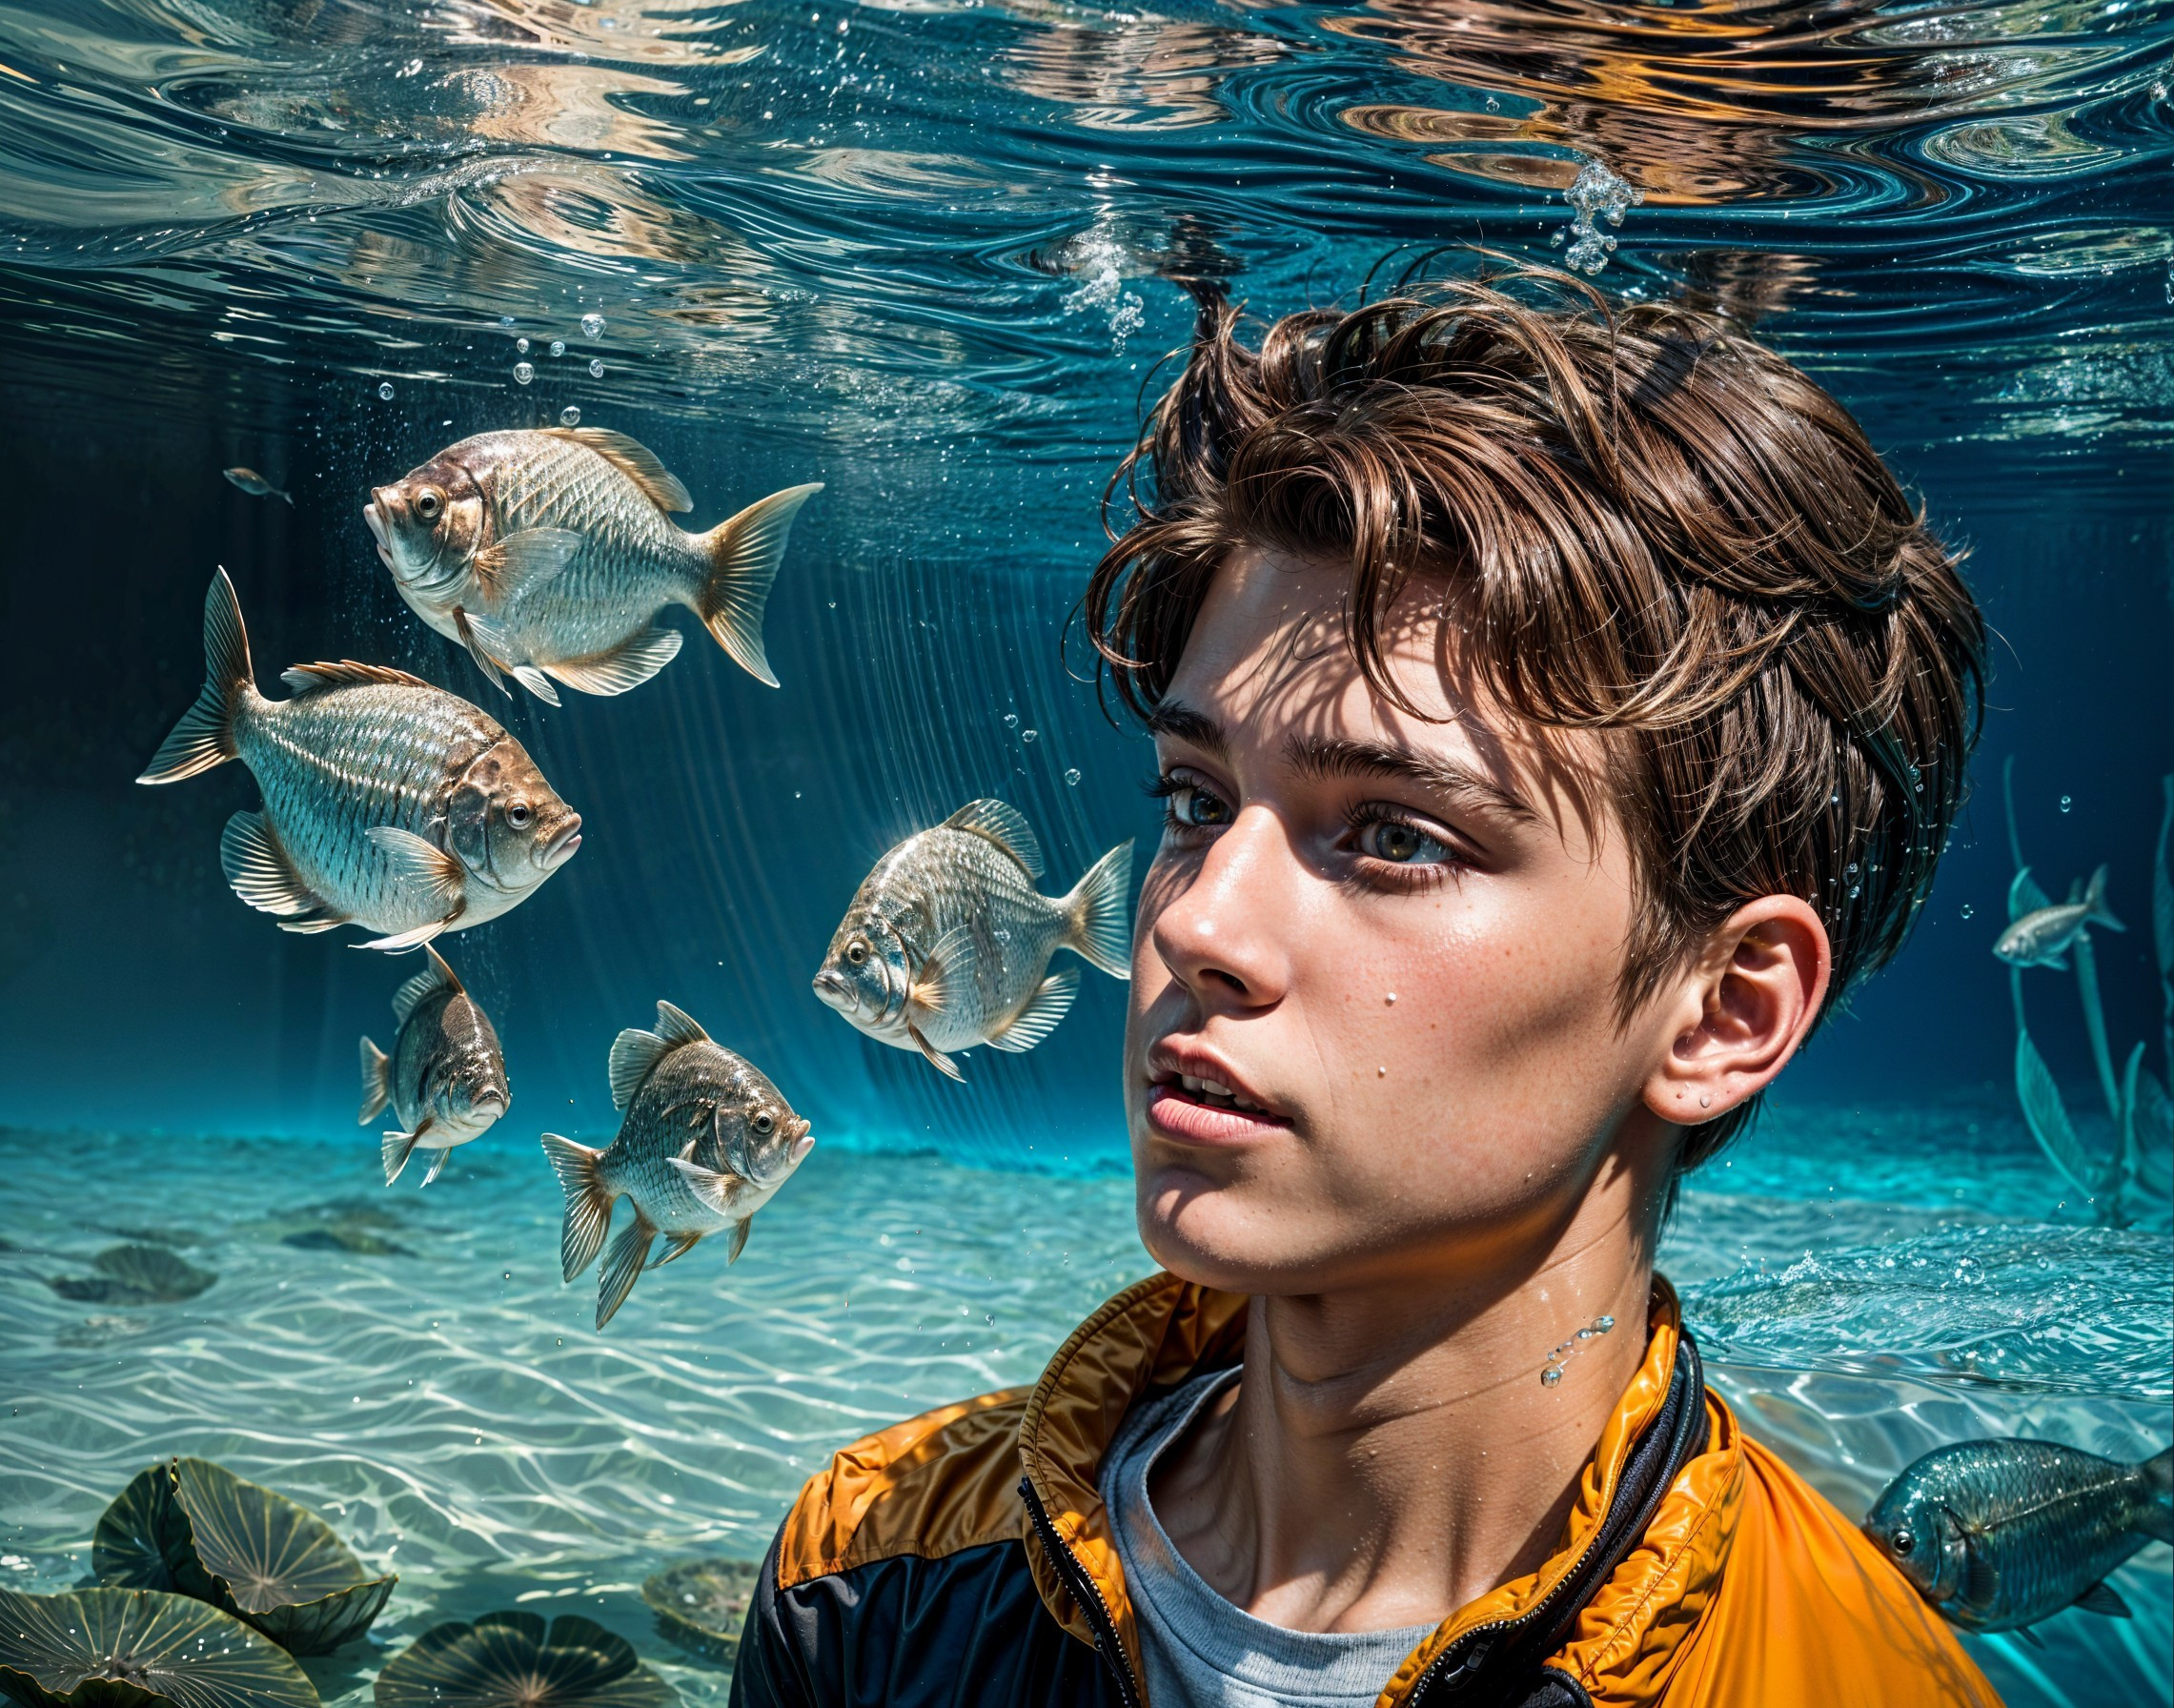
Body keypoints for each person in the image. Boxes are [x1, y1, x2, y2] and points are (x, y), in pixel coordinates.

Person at [730, 266, 2001, 1707]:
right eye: (1195, 801)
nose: (1201, 922)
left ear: (1723, 1011)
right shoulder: (868, 1574)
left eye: (1396, 838)